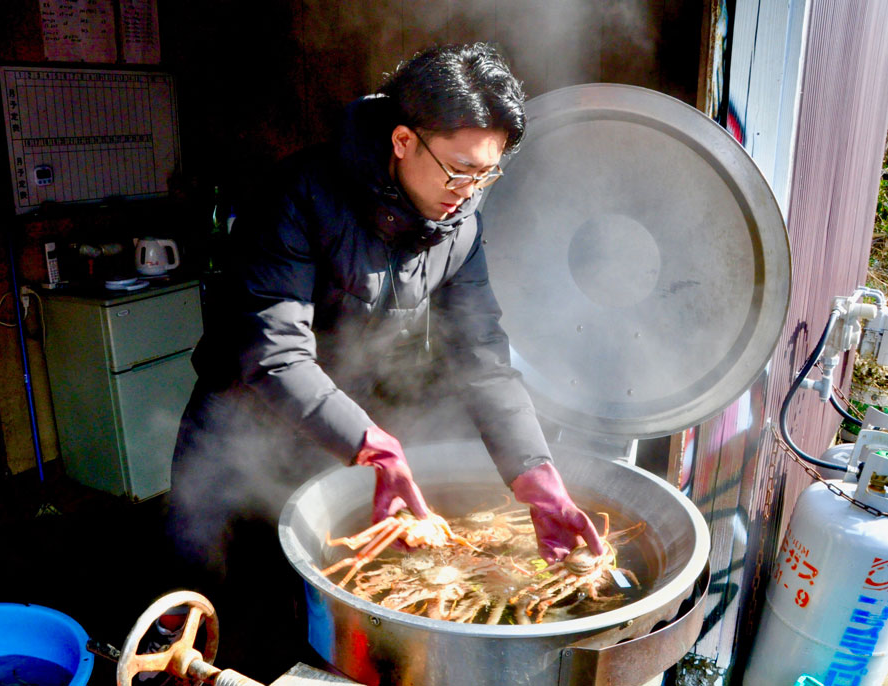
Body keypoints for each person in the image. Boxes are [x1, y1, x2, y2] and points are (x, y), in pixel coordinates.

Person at [168, 42, 603, 679]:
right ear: (403, 140)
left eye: (487, 175)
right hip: (239, 427)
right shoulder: (300, 195)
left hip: (337, 437)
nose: (469, 192)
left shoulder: (461, 227)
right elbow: (275, 352)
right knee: (207, 604)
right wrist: (374, 443)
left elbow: (481, 355)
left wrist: (534, 474)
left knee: (305, 612)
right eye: (458, 171)